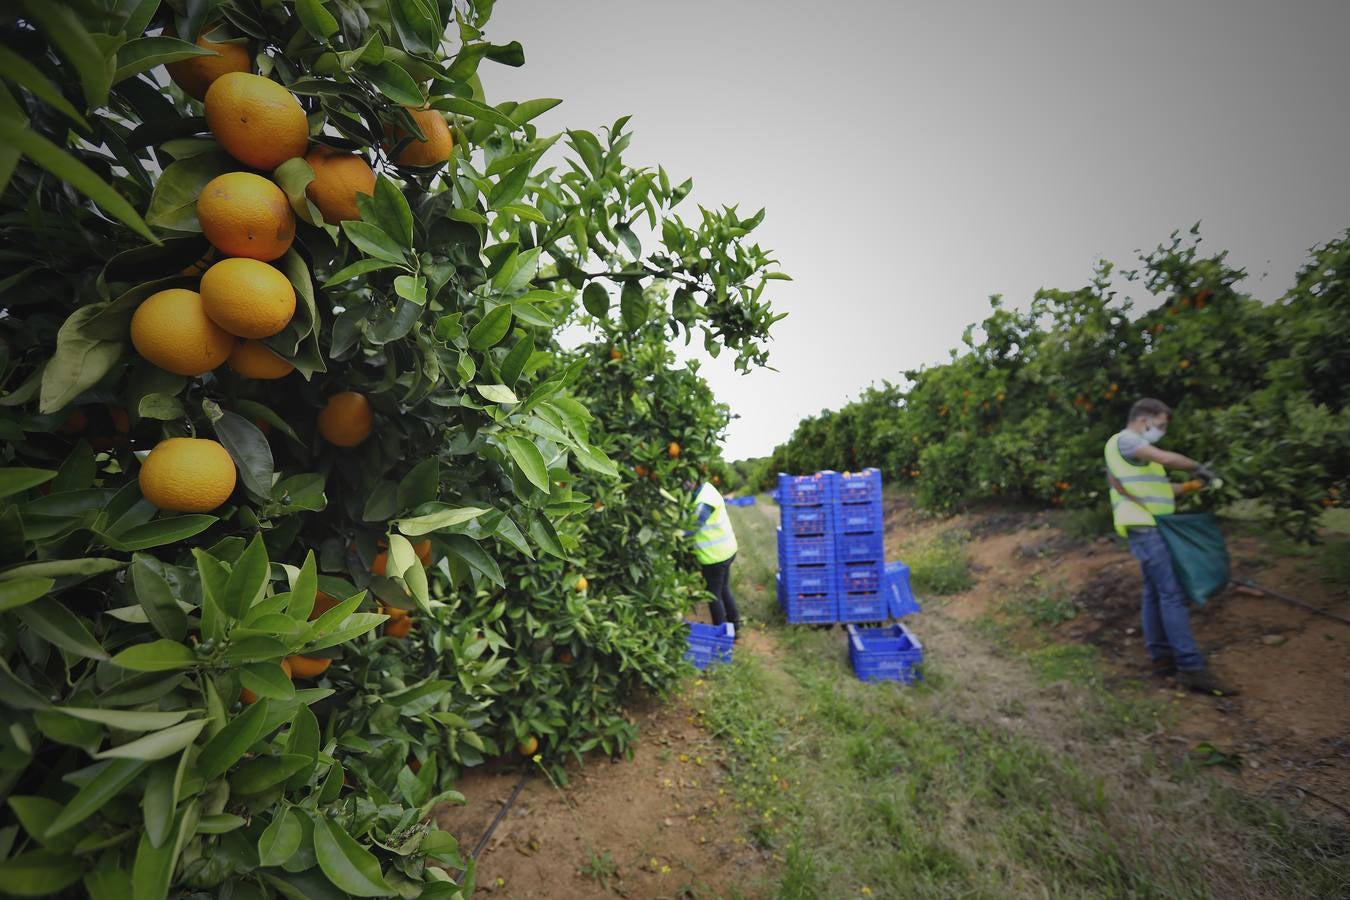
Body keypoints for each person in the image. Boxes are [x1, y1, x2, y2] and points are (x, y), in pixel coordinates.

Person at [1105, 398, 1235, 695]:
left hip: (1148, 526)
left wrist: (1191, 486)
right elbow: (1166, 459)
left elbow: (1157, 487)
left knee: (1155, 593)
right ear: (1144, 420)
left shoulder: (1131, 453)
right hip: (1145, 528)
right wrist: (1198, 468)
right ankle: (1191, 667)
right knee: (1172, 594)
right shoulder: (1127, 440)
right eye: (1160, 425)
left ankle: (1161, 657)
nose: (1161, 431)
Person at [685, 480, 741, 639]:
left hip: (714, 557)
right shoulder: (708, 488)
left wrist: (670, 536)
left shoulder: (704, 501)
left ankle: (722, 637)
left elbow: (690, 528)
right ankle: (734, 628)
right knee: (723, 589)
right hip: (726, 550)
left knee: (714, 596)